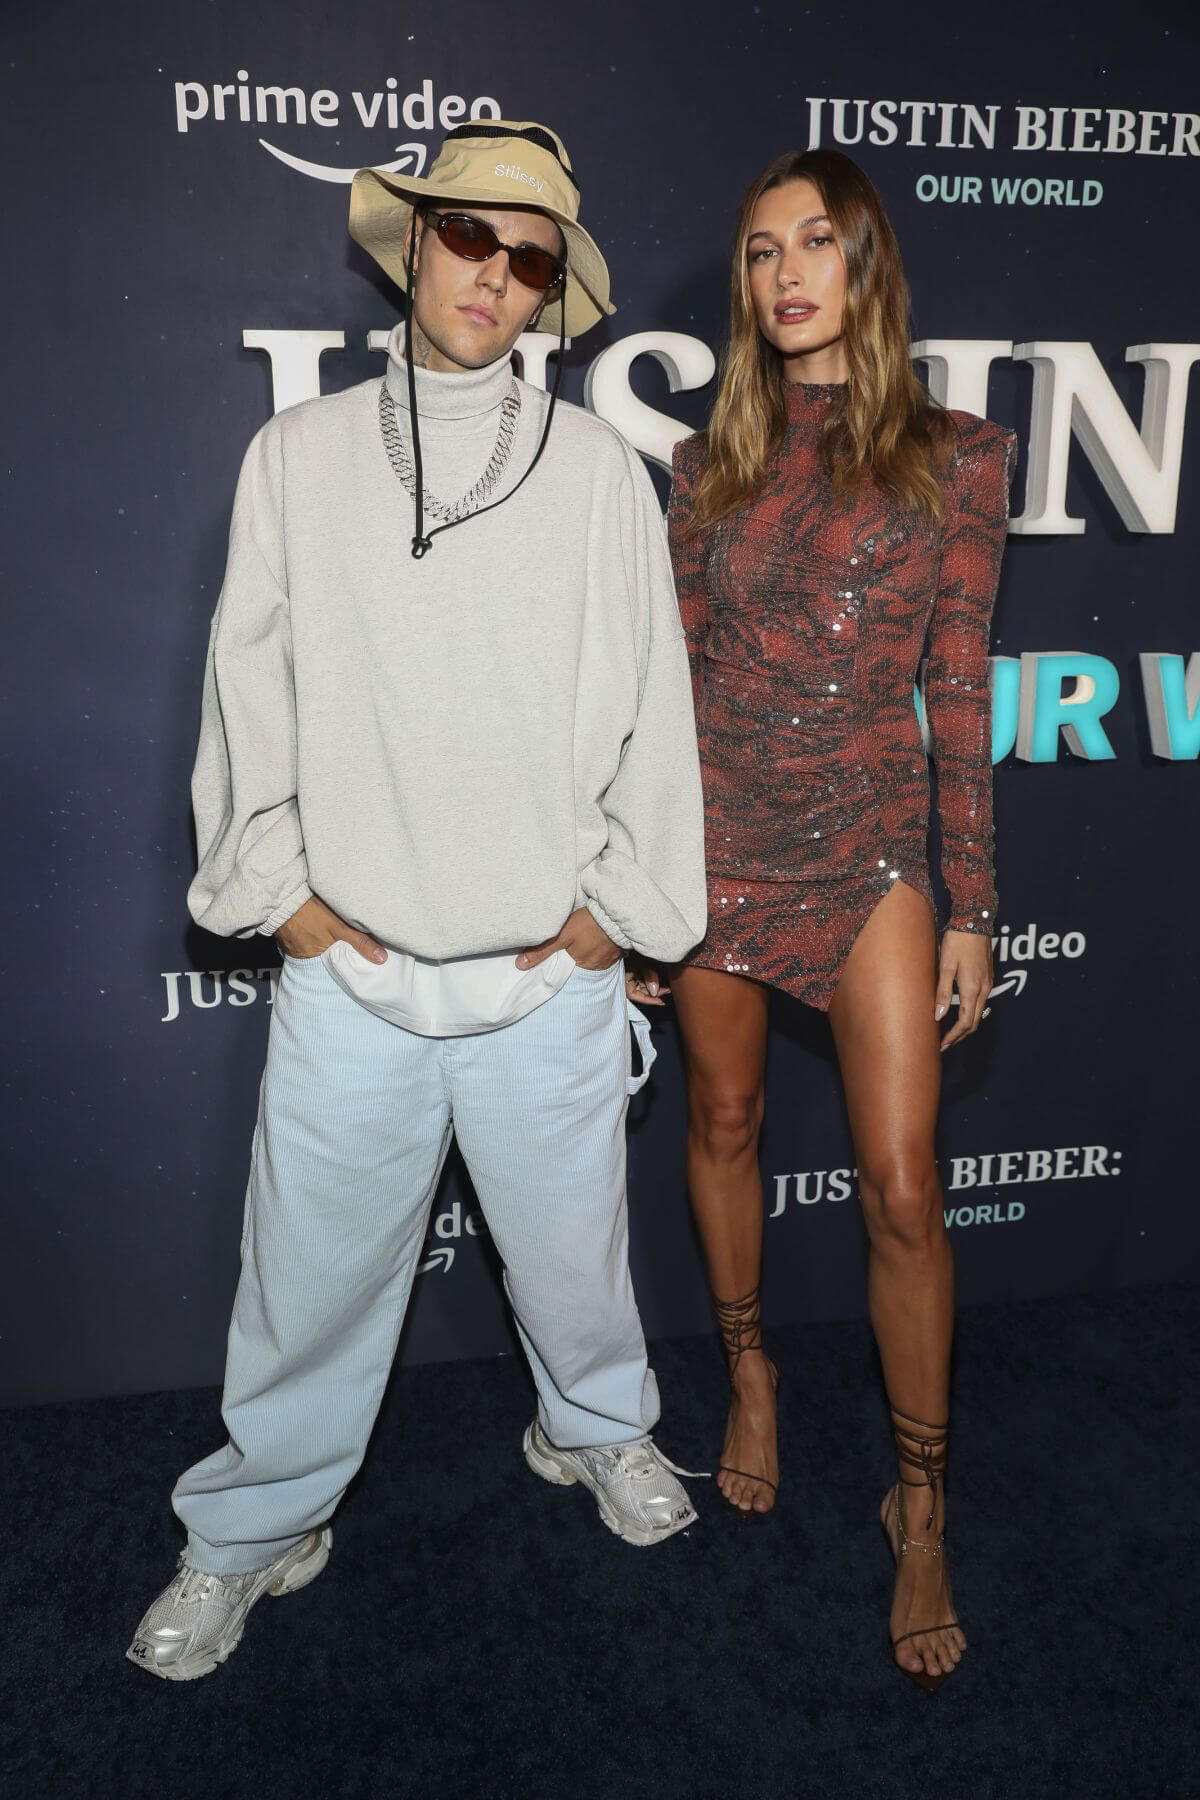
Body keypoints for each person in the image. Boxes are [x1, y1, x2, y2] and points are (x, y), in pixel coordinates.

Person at [127, 120, 707, 1683]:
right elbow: (244, 690)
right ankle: (252, 1531)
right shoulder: (298, 458)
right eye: (473, 239)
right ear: (416, 243)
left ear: (548, 291)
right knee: (305, 1282)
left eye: (531, 262)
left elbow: (657, 706)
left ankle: (595, 1431)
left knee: (578, 1257)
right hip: (355, 971)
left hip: (547, 969)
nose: (496, 279)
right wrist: (288, 905)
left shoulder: (598, 475)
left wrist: (614, 920)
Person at [655, 147, 1015, 1691]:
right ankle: (749, 1374)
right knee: (724, 1116)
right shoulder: (704, 469)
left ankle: (919, 1501)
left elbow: (954, 690)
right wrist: (630, 881)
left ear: (867, 266)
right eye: (758, 252)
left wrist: (973, 905)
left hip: (870, 847)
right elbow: (663, 691)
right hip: (714, 837)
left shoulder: (960, 455)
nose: (786, 274)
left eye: (816, 243)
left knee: (902, 1186)